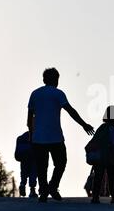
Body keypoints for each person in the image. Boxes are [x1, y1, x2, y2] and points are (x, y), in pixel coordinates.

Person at [27, 68, 94, 203]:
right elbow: (70, 111)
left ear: (44, 79)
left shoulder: (35, 94)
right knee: (61, 163)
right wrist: (84, 124)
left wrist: (31, 134)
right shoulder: (58, 94)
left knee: (42, 166)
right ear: (55, 79)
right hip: (55, 137)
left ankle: (45, 191)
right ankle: (52, 187)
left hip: (39, 137)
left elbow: (29, 118)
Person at [85, 105, 114, 204]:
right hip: (109, 157)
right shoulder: (113, 129)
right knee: (112, 177)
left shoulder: (101, 128)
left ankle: (95, 197)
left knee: (98, 177)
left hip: (98, 156)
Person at [14, 131, 38, 198]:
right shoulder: (37, 136)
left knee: (24, 172)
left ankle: (22, 184)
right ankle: (32, 190)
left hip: (23, 157)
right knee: (33, 172)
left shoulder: (21, 137)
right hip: (33, 157)